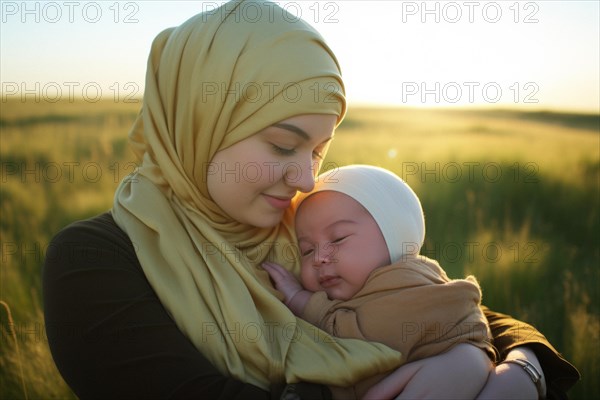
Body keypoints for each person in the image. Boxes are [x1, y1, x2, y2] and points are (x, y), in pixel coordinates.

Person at [42, 0, 580, 399]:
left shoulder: (298, 221)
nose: (305, 178)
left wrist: (521, 365)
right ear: (196, 121)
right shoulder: (94, 260)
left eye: (320, 152)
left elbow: (433, 298)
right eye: (282, 144)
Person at [263, 164, 497, 398]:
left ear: (394, 234)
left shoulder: (404, 280)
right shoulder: (377, 284)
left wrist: (301, 300)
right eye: (306, 250)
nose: (319, 258)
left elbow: (358, 334)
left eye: (338, 238)